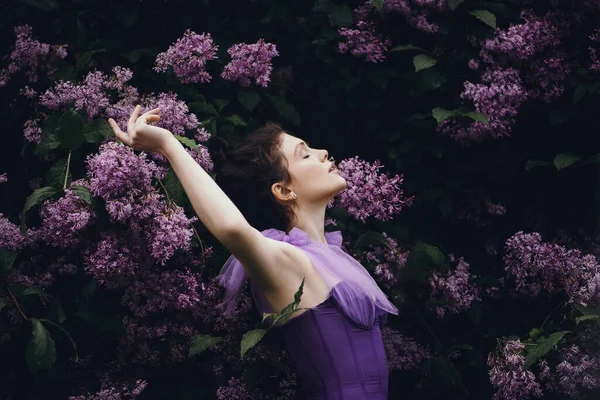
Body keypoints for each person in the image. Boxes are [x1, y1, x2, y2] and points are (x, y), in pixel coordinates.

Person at [108, 105, 399, 399]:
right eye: (305, 153)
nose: (323, 152)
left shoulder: (330, 258)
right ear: (284, 191)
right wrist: (168, 144)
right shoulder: (290, 261)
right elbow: (233, 229)